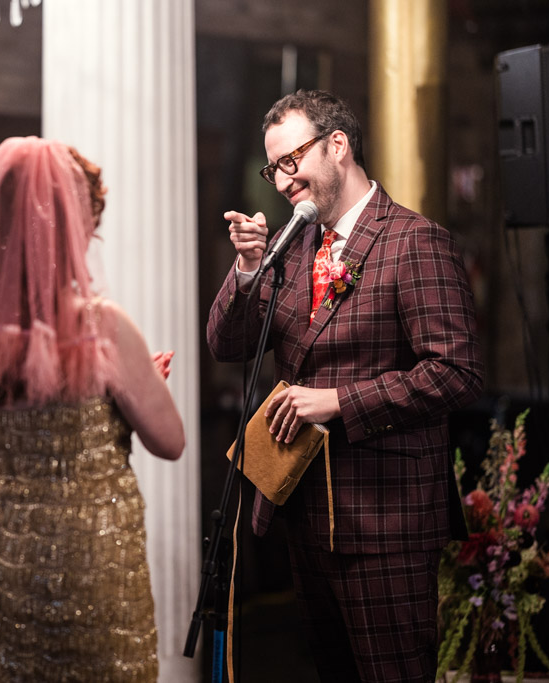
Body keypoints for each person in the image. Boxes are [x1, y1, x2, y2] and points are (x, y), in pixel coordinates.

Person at [206, 90, 483, 682]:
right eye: (273, 168)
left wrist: (338, 402)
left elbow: (458, 373)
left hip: (387, 522)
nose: (283, 181)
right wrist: (249, 270)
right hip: (305, 515)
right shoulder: (292, 246)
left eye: (291, 160)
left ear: (338, 145)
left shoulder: (414, 240)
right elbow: (226, 346)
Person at [0, 136, 185, 682]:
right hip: (83, 546)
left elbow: (19, 408)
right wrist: (136, 387)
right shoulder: (100, 325)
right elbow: (169, 443)